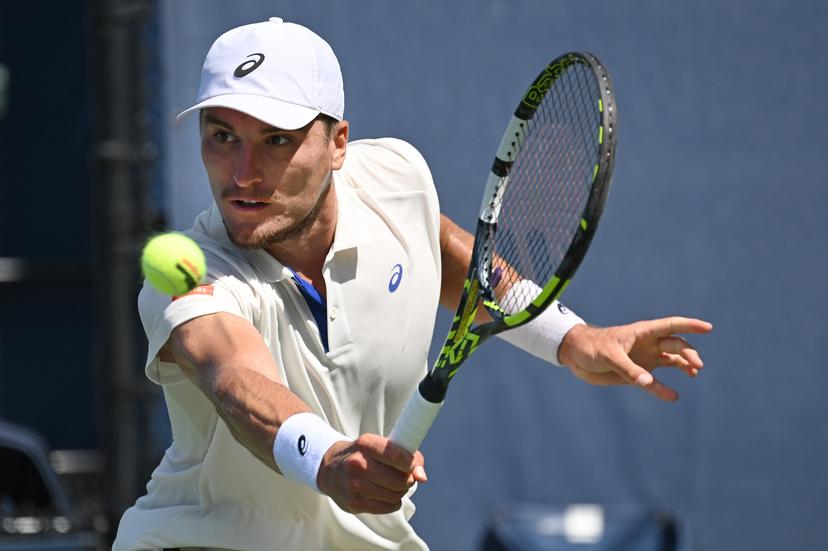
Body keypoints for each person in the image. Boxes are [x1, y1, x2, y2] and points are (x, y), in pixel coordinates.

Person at [113, 17, 712, 551]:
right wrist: (329, 459)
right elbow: (238, 384)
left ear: (339, 144)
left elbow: (456, 259)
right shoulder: (190, 274)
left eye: (277, 140)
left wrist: (568, 337)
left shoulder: (395, 178)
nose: (244, 173)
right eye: (223, 137)